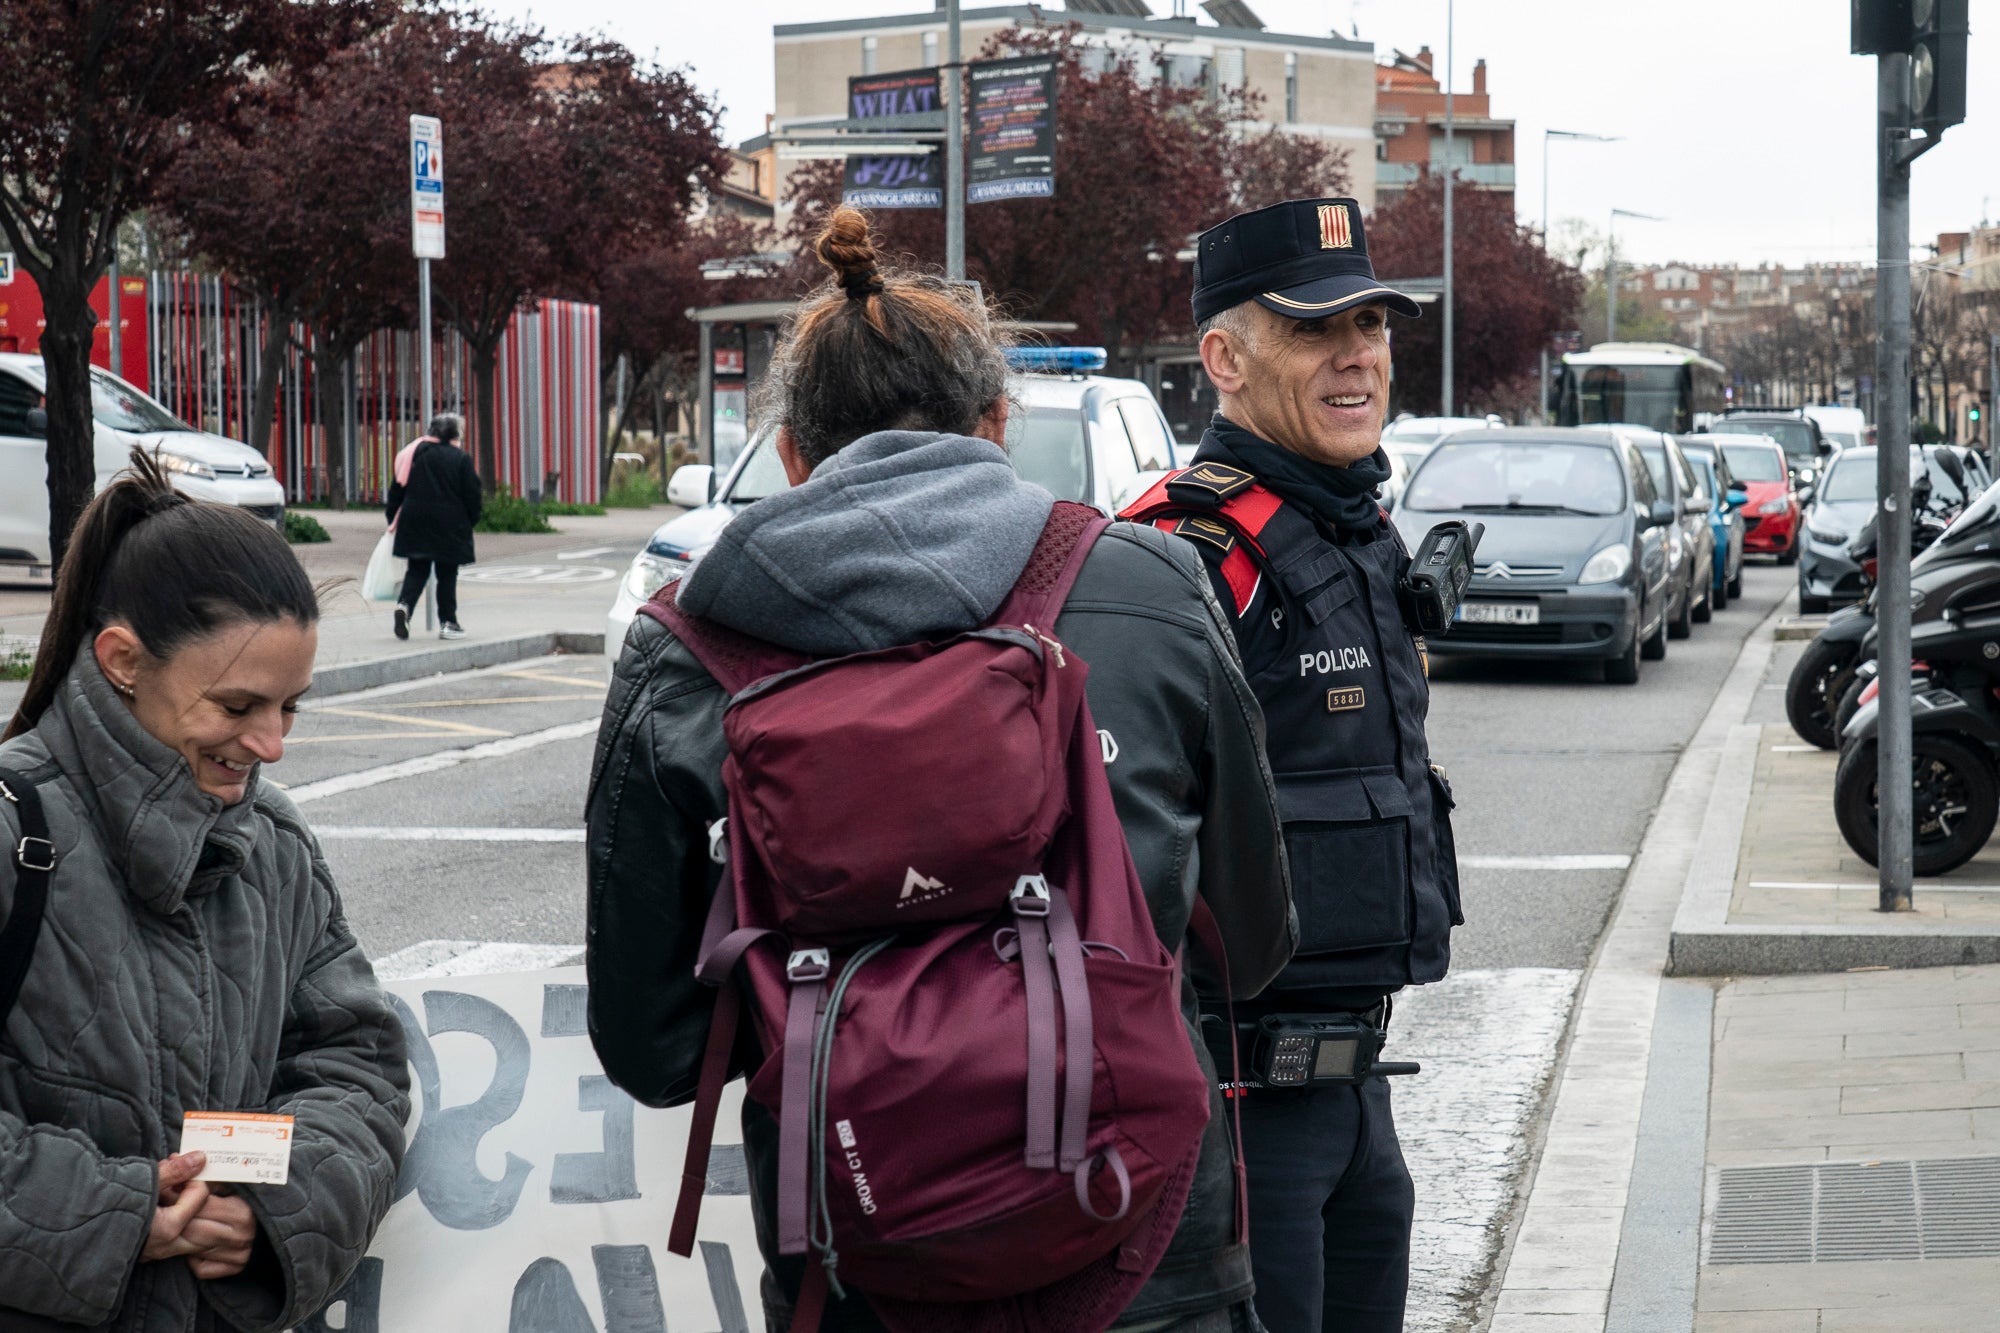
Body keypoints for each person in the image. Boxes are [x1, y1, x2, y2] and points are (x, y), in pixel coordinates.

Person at [586, 206, 1295, 1332]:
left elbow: (653, 1045)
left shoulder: (684, 653)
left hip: (859, 1265)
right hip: (1146, 1250)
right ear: (997, 424)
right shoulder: (1150, 585)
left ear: (789, 454)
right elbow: (1249, 946)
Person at [1120, 198, 1463, 1333]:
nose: (1356, 353)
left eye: (1370, 323)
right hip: (1231, 1106)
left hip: (1353, 1090)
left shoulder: (1350, 528)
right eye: (1316, 329)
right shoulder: (1185, 552)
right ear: (1224, 357)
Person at [0, 451, 411, 1330]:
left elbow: (358, 1066)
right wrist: (116, 1214)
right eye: (236, 707)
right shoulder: (10, 829)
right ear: (121, 660)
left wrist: (273, 1213)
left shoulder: (278, 843)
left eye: (291, 705)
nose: (271, 744)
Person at [384, 412, 482, 640]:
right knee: (447, 573)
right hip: (450, 523)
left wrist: (393, 520)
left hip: (414, 521)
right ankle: (448, 623)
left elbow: (397, 490)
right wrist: (470, 520)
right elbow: (473, 495)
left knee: (417, 569)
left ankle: (405, 607)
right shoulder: (459, 458)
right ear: (454, 434)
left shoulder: (413, 456)